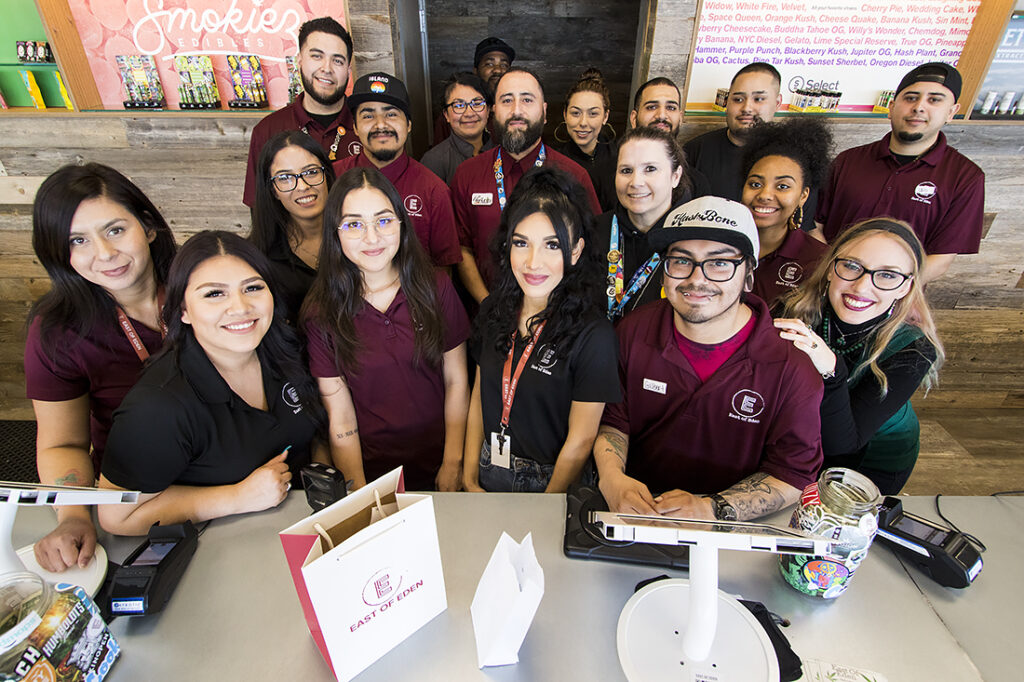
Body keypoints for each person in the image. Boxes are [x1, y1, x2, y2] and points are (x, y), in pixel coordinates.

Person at [594, 196, 823, 521]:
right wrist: (613, 478)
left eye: (719, 263)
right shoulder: (632, 332)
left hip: (732, 529)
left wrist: (712, 509)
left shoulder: (791, 366)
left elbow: (792, 475)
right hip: (635, 512)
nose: (696, 279)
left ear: (748, 275)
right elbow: (614, 421)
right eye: (681, 261)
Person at [97, 232, 324, 535]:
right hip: (219, 541)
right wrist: (236, 498)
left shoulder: (286, 349)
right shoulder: (158, 407)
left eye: (253, 288)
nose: (241, 307)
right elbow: (117, 517)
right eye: (214, 294)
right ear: (183, 311)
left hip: (301, 521)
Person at [24, 163, 177, 570]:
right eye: (78, 240)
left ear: (147, 226)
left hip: (239, 474)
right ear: (60, 252)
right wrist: (74, 514)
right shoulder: (57, 333)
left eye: (115, 230)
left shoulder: (199, 283)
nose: (105, 254)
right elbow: (63, 445)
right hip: (136, 500)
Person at [302, 167, 470, 491]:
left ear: (401, 224)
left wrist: (453, 462)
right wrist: (360, 490)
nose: (372, 237)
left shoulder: (436, 287)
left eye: (383, 220)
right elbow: (341, 417)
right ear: (334, 232)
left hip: (441, 461)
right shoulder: (321, 312)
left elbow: (457, 379)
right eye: (354, 224)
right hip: (373, 472)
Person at [464, 168, 619, 493]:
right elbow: (480, 395)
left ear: (575, 250)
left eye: (552, 245)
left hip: (552, 481)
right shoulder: (495, 309)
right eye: (522, 243)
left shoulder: (594, 334)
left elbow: (581, 440)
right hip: (489, 465)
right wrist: (468, 476)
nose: (534, 262)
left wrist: (545, 505)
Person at [775, 218, 943, 495]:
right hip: (800, 443)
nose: (862, 287)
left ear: (906, 287)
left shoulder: (914, 349)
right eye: (852, 266)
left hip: (871, 461)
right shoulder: (791, 308)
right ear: (831, 268)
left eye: (887, 275)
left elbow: (843, 444)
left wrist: (831, 370)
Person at [814, 62, 985, 283]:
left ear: (951, 112)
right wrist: (836, 277)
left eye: (934, 100)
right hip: (830, 285)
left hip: (899, 302)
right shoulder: (848, 161)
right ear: (892, 106)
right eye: (911, 98)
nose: (919, 107)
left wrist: (886, 290)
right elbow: (816, 227)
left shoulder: (965, 177)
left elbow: (940, 259)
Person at [451, 67, 602, 305]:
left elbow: (591, 253)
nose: (516, 110)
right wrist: (487, 304)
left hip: (555, 317)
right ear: (494, 111)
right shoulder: (467, 174)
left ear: (543, 112)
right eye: (507, 100)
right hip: (486, 314)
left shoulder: (574, 175)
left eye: (527, 100)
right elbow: (463, 249)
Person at [333, 72, 463, 271]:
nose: (381, 124)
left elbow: (443, 267)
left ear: (409, 124)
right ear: (356, 127)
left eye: (391, 114)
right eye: (368, 115)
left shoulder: (434, 190)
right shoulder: (332, 178)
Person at [685, 63, 819, 229]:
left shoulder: (796, 160)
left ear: (777, 103)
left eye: (759, 99)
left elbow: (804, 229)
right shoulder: (695, 150)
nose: (746, 108)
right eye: (738, 99)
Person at [243, 17, 359, 207]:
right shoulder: (268, 130)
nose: (326, 68)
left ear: (348, 70)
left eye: (337, 60)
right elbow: (259, 208)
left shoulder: (365, 125)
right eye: (316, 56)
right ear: (300, 61)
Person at [593, 126, 696, 322]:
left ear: (675, 176)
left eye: (650, 169)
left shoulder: (693, 240)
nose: (636, 182)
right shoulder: (594, 231)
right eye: (626, 170)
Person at [741, 117, 832, 307]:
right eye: (755, 184)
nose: (765, 194)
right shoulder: (720, 244)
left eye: (782, 186)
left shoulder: (819, 261)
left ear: (803, 195)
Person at [249, 130, 336, 323]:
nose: (302, 186)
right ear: (273, 190)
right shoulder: (259, 257)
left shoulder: (358, 235)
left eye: (311, 172)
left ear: (327, 175)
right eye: (285, 178)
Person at [433, 37, 515, 145]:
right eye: (489, 64)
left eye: (504, 65)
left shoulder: (517, 110)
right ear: (476, 71)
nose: (498, 70)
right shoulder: (453, 112)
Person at [557, 68, 617, 212]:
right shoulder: (556, 163)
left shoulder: (620, 157)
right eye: (576, 113)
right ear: (565, 115)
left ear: (605, 116)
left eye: (593, 113)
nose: (583, 122)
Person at [420, 72, 495, 184]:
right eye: (459, 106)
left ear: (488, 110)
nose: (469, 113)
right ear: (446, 115)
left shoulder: (501, 151)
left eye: (477, 103)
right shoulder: (434, 160)